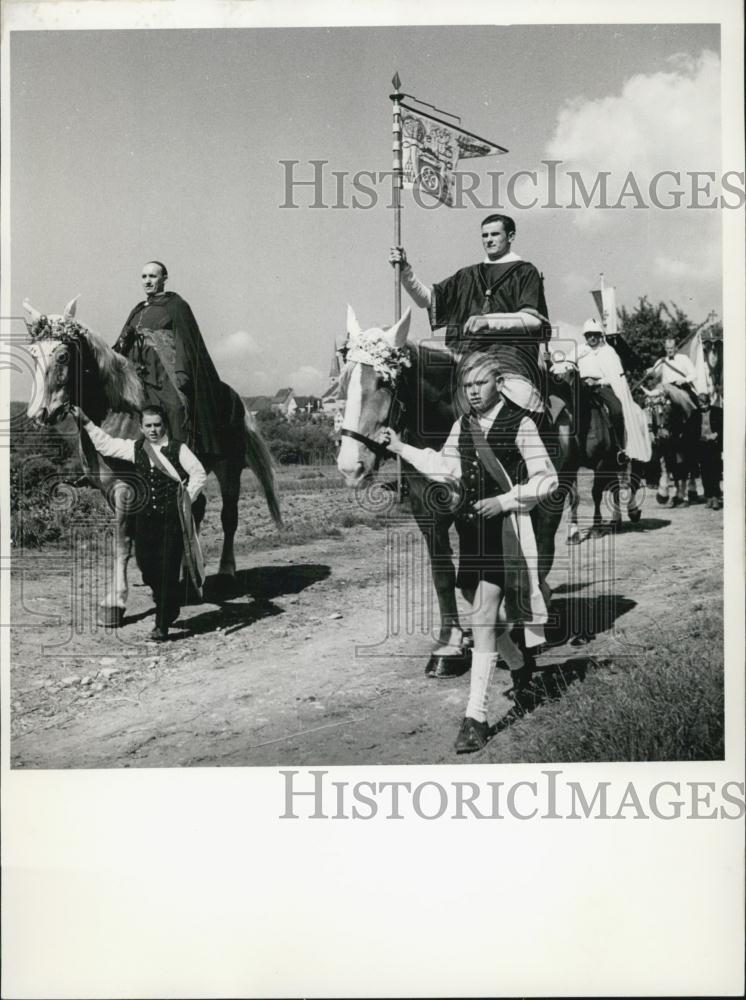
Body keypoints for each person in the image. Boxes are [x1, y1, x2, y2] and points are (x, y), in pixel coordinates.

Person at [380, 350, 558, 754]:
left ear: (499, 383)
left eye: (480, 383)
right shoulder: (464, 424)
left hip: (507, 532)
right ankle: (519, 666)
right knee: (483, 613)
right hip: (473, 531)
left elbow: (547, 481)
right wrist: (401, 447)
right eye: (467, 386)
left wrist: (508, 499)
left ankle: (475, 716)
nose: (473, 392)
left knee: (480, 618)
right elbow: (446, 467)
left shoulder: (522, 423)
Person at [71, 403, 207, 641]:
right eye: (148, 426)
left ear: (164, 426)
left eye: (157, 425)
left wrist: (186, 499)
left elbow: (199, 474)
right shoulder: (136, 449)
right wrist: (85, 421)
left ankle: (161, 624)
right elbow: (106, 444)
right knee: (147, 568)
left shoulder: (179, 449)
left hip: (171, 520)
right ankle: (170, 601)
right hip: (145, 520)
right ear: (142, 428)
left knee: (166, 570)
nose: (153, 430)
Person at [389, 214, 551, 396]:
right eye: (485, 235)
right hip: (464, 362)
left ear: (511, 236)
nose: (489, 240)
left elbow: (533, 320)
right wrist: (405, 271)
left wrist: (488, 321)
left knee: (517, 405)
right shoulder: (466, 276)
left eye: (495, 234)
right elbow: (426, 300)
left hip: (509, 363)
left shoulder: (526, 272)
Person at [113, 261, 225, 458]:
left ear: (164, 279)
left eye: (153, 276)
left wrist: (181, 372)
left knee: (177, 408)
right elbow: (121, 345)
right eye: (144, 277)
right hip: (136, 371)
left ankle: (182, 459)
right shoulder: (138, 309)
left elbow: (184, 341)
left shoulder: (176, 306)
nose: (147, 281)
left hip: (164, 371)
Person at [575, 318, 653, 464]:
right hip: (581, 387)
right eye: (588, 334)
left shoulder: (608, 351)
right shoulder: (579, 350)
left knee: (616, 409)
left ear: (600, 335)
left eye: (595, 334)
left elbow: (614, 376)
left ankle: (619, 447)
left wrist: (597, 381)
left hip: (602, 387)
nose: (592, 337)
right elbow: (565, 361)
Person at [643, 336, 704, 406]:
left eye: (671, 348)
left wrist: (684, 380)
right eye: (667, 348)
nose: (669, 350)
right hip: (665, 389)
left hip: (682, 387)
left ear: (675, 348)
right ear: (665, 349)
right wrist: (650, 372)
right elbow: (655, 374)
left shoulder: (684, 358)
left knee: (695, 405)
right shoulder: (661, 361)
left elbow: (694, 375)